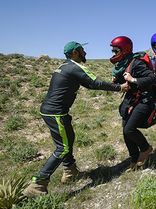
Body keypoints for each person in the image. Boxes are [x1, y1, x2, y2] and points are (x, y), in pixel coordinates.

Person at [23, 41, 129, 198]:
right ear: (75, 52)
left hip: (52, 111)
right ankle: (38, 183)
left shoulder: (65, 66)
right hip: (56, 112)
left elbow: (88, 85)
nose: (85, 53)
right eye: (82, 50)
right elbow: (95, 83)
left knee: (69, 138)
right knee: (63, 147)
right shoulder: (75, 66)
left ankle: (70, 171)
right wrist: (120, 87)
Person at [110, 36, 156, 172]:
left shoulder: (137, 62)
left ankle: (145, 148)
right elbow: (125, 79)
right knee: (126, 131)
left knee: (129, 129)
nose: (113, 54)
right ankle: (133, 160)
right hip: (130, 100)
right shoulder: (123, 64)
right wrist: (118, 80)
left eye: (116, 51)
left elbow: (151, 78)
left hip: (143, 100)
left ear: (124, 50)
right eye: (113, 51)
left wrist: (134, 80)